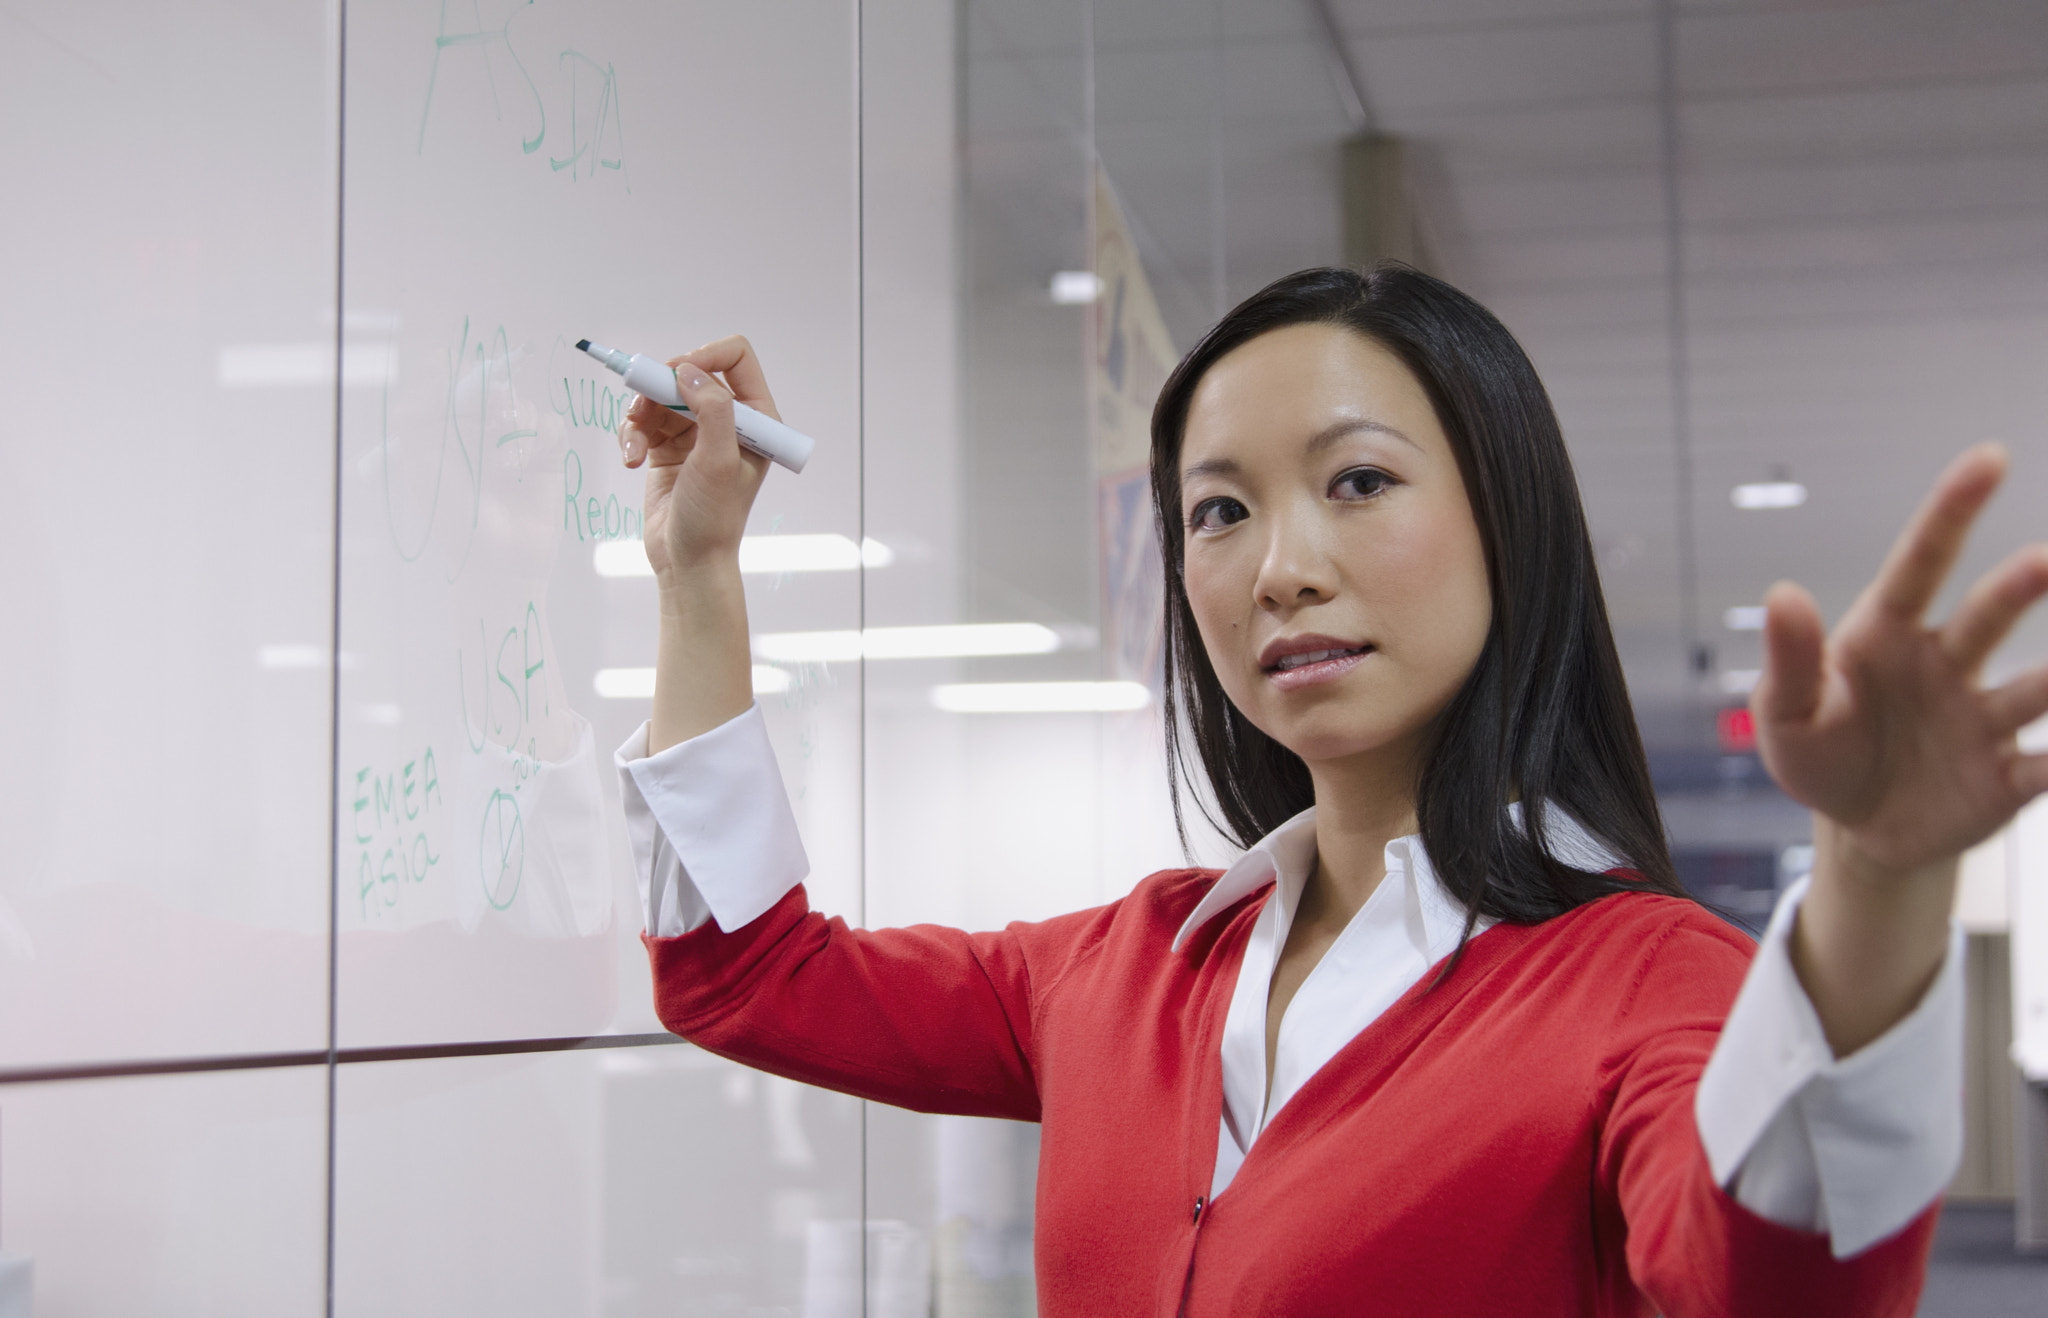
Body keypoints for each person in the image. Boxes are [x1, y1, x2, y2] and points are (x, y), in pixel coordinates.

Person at [610, 265, 2048, 1316]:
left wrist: (1879, 875)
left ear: (1507, 515)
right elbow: (741, 975)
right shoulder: (1122, 969)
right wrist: (697, 573)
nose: (1280, 564)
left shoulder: (1650, 987)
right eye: (1219, 510)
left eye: (1357, 481)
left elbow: (1773, 1293)